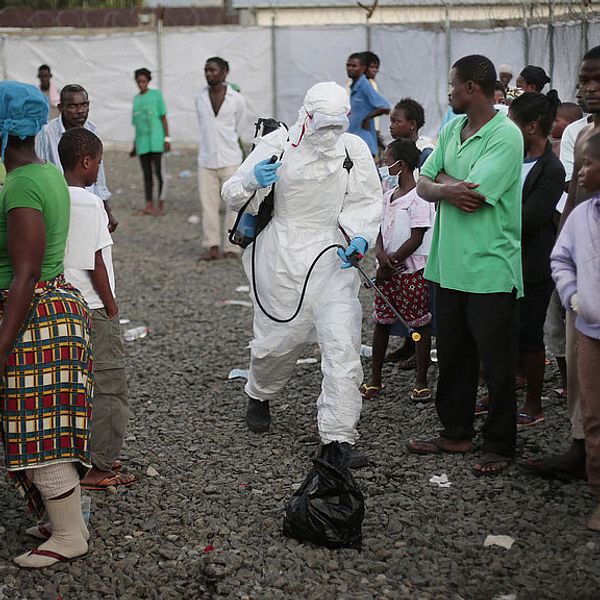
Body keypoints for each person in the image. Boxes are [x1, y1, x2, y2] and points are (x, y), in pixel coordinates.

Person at [221, 82, 382, 466]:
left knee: (342, 347)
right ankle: (259, 392)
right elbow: (230, 193)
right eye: (323, 126)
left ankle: (338, 438)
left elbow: (366, 200)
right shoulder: (277, 144)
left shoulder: (352, 150)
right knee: (277, 343)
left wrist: (360, 237)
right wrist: (252, 180)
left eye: (336, 126)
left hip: (331, 259)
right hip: (281, 258)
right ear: (306, 117)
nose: (329, 134)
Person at [407, 55, 523, 476]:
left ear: (472, 87)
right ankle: (456, 432)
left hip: (490, 268)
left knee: (495, 362)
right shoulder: (453, 128)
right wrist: (444, 188)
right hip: (447, 266)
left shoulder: (505, 136)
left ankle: (500, 443)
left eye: (453, 85)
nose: (449, 92)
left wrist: (440, 186)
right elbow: (422, 183)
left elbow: (475, 195)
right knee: (453, 353)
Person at [0, 81, 92, 568]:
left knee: (36, 427)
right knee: (44, 423)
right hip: (53, 310)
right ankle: (62, 519)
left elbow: (26, 273)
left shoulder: (21, 184)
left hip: (35, 317)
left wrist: (0, 345)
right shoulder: (46, 172)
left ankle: (70, 535)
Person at [523, 45, 600, 481]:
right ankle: (581, 447)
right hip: (581, 266)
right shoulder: (585, 137)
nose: (590, 90)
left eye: (598, 81)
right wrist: (563, 255)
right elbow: (573, 198)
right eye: (584, 81)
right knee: (576, 357)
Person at [58, 127, 136, 492]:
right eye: (99, 162)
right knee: (111, 387)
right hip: (93, 304)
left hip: (67, 302)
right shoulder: (89, 203)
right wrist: (111, 305)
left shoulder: (54, 195)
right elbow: (96, 262)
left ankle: (86, 453)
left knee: (80, 383)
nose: (98, 169)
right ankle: (99, 466)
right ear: (86, 162)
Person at [551, 131, 600, 531]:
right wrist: (573, 296)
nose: (580, 172)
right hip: (591, 333)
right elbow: (561, 258)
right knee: (594, 415)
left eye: (588, 164)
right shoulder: (582, 217)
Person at [507, 91, 565, 426]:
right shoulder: (513, 158)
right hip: (506, 258)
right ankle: (506, 393)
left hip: (532, 263)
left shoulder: (551, 169)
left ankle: (533, 403)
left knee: (530, 334)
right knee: (506, 330)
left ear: (531, 127)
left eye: (514, 122)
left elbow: (531, 219)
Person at [360, 139, 434, 401]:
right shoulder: (387, 197)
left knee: (418, 325)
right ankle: (375, 379)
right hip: (387, 271)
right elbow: (379, 231)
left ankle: (421, 381)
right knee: (382, 322)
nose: (383, 164)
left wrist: (391, 263)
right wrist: (381, 256)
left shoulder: (419, 198)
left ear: (400, 165)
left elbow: (417, 236)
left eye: (386, 159)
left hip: (411, 272)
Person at [36, 84, 117, 232]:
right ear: (61, 108)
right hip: (60, 208)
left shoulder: (92, 131)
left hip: (89, 205)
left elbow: (100, 177)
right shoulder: (46, 134)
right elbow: (41, 173)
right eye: (73, 106)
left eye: (84, 105)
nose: (80, 111)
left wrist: (107, 210)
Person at [195, 56, 247, 261]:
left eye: (213, 70)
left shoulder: (237, 99)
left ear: (225, 73)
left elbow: (239, 127)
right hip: (206, 160)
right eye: (206, 70)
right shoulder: (199, 98)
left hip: (230, 158)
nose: (209, 74)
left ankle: (231, 247)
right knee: (208, 206)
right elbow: (203, 126)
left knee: (233, 205)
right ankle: (212, 245)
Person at [131, 68, 171, 216]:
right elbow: (136, 123)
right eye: (139, 81)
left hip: (156, 141)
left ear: (148, 81)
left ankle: (160, 203)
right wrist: (135, 144)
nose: (141, 84)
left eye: (144, 81)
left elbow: (163, 117)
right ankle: (148, 203)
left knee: (159, 173)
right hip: (142, 143)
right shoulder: (136, 99)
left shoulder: (156, 95)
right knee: (147, 174)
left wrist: (167, 138)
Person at [345, 53, 390, 157]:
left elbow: (385, 107)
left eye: (354, 66)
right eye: (348, 65)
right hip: (353, 139)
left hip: (364, 143)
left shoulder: (365, 85)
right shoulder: (353, 86)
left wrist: (366, 119)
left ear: (362, 68)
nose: (350, 68)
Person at [389, 98, 434, 169]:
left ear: (412, 124)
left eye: (396, 122)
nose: (391, 126)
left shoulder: (425, 152)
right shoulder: (392, 150)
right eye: (391, 122)